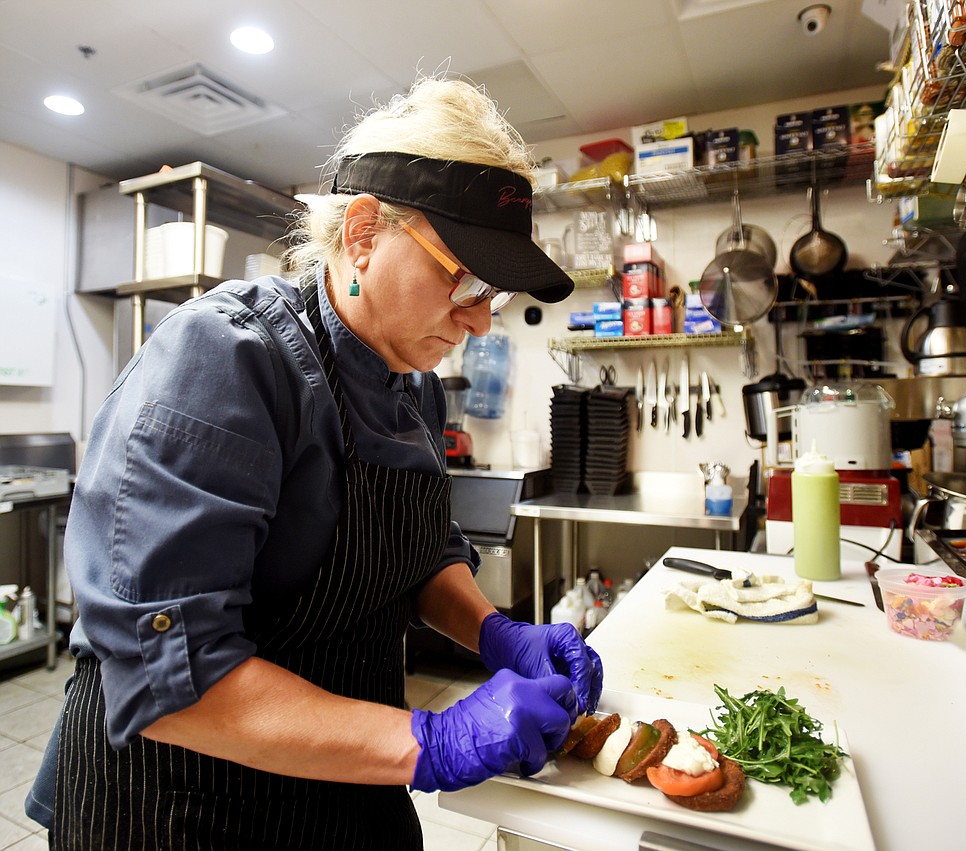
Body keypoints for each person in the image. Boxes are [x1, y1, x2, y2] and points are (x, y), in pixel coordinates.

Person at [27, 76, 603, 850]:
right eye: (462, 277)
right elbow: (172, 677)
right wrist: (431, 741)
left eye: (491, 294)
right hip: (184, 803)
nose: (477, 319)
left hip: (338, 784)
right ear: (364, 232)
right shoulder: (225, 362)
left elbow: (423, 553)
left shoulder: (415, 389)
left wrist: (497, 631)